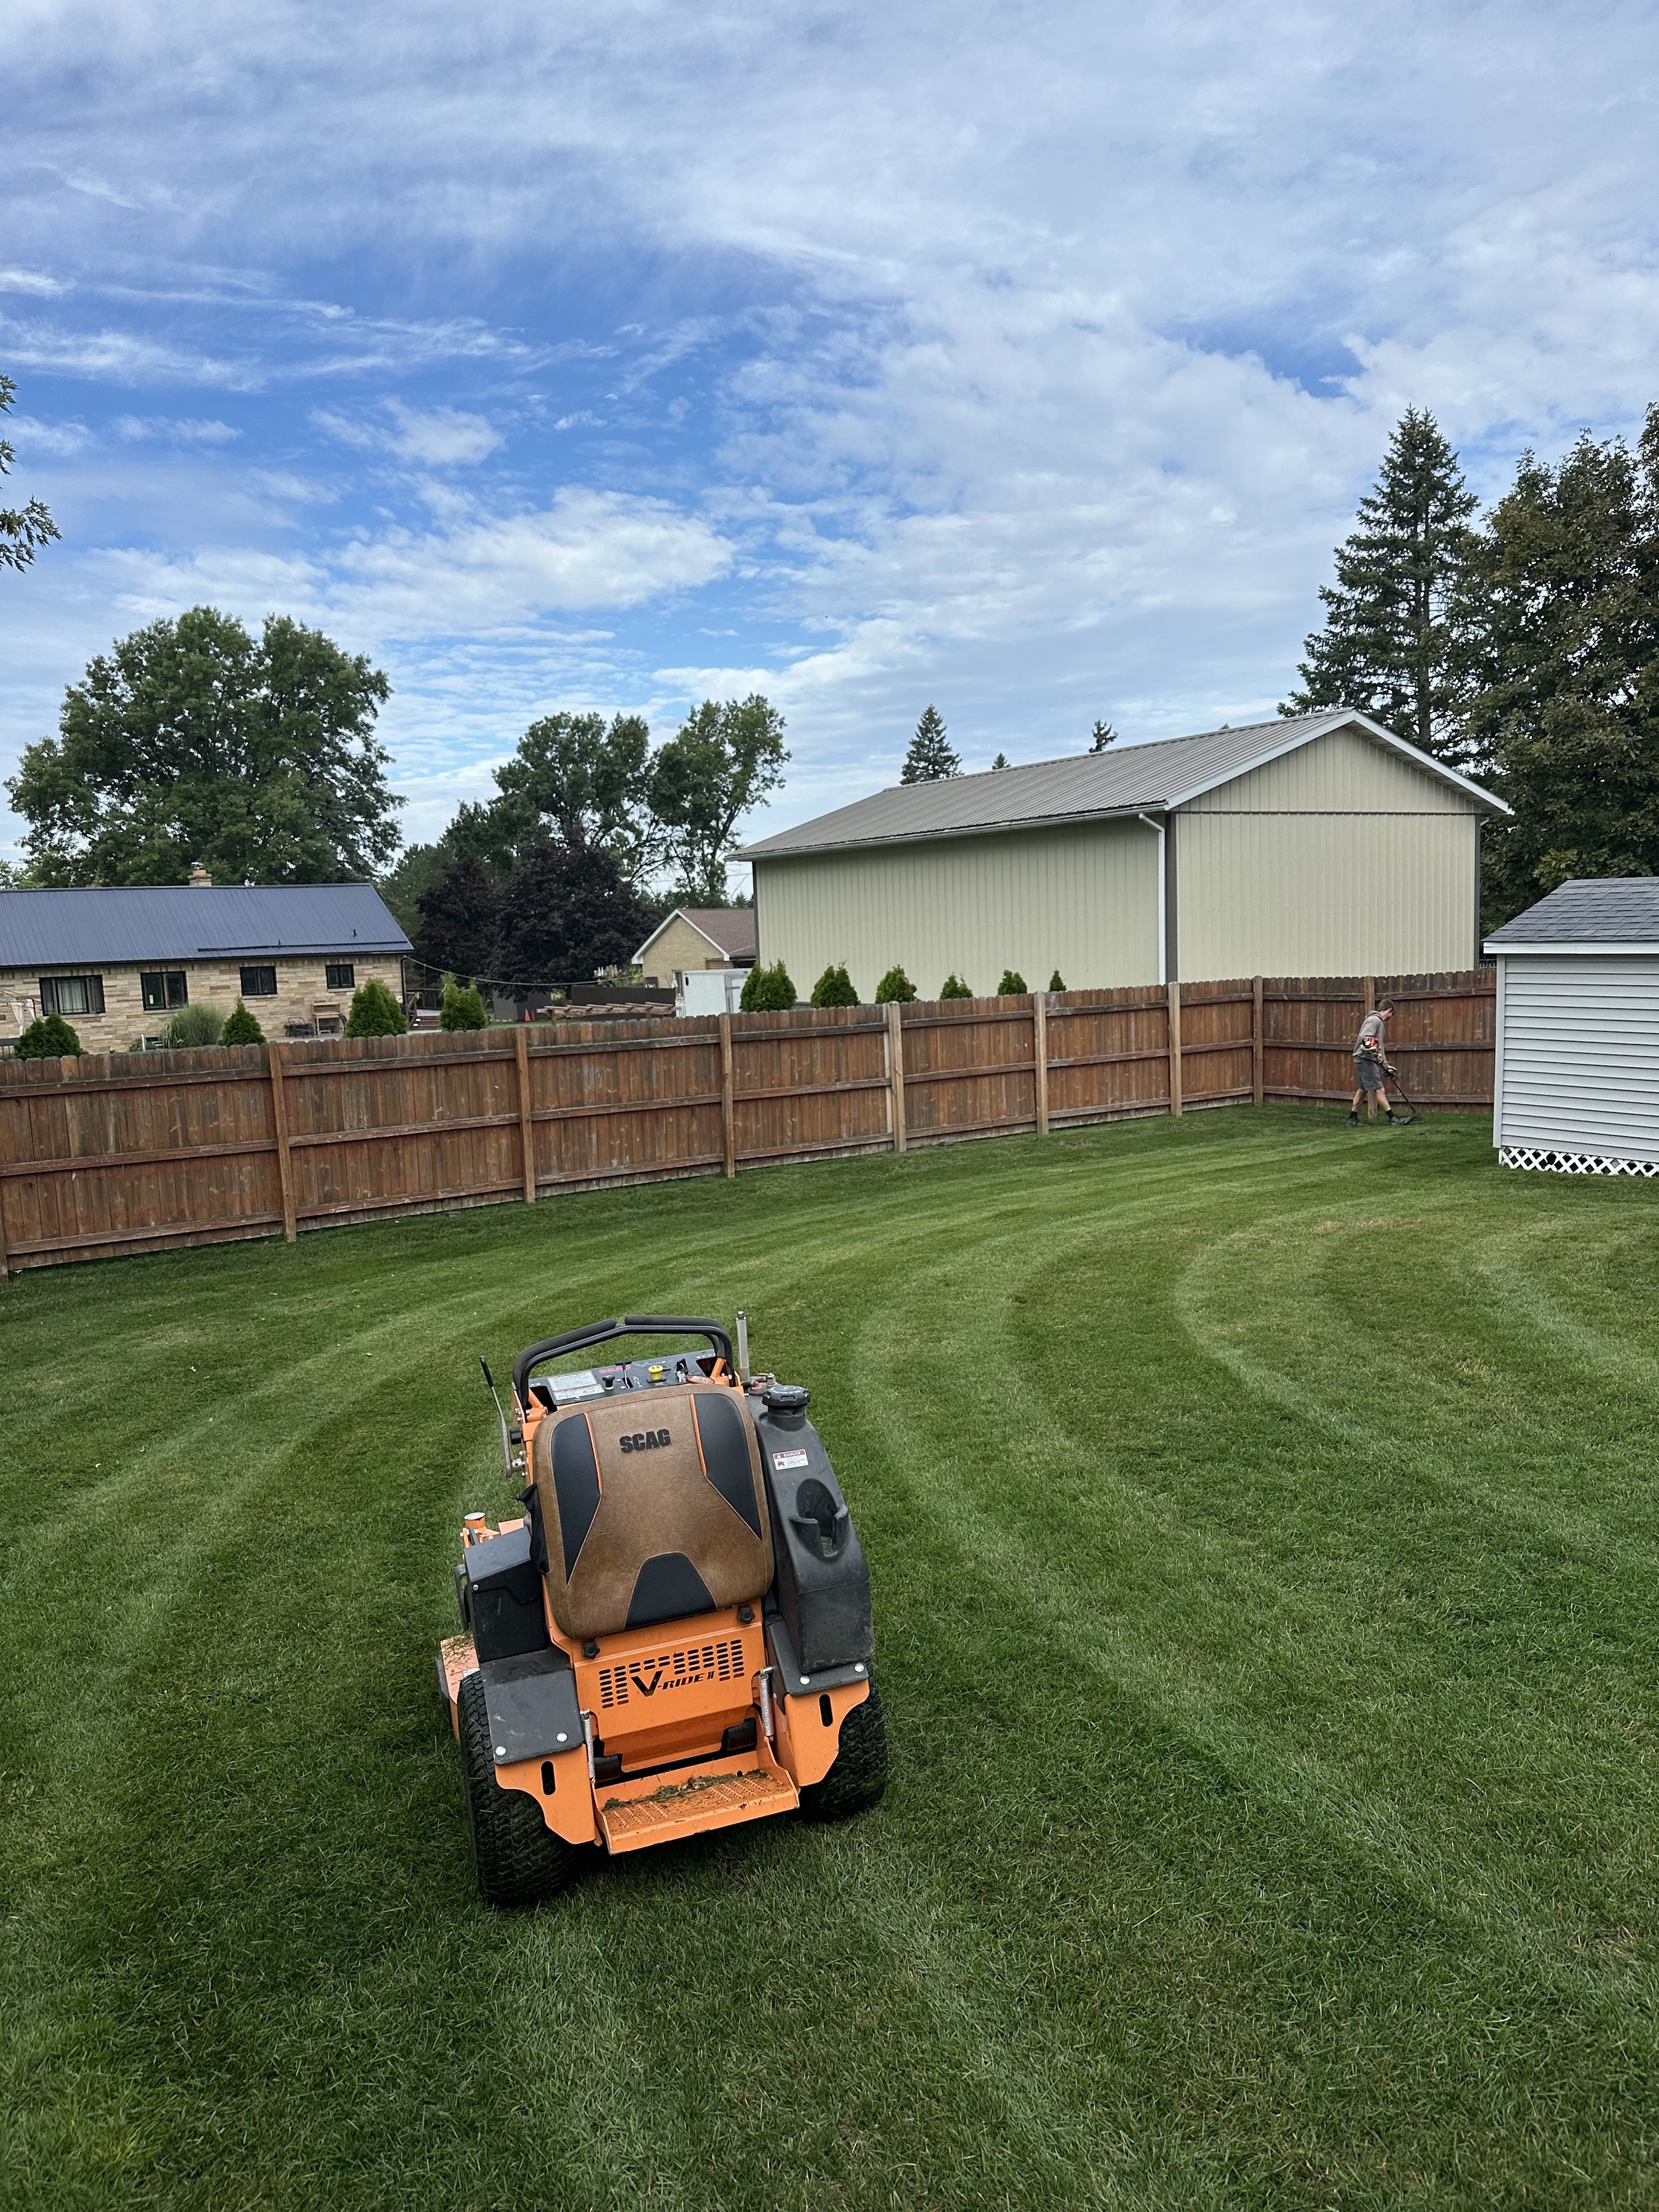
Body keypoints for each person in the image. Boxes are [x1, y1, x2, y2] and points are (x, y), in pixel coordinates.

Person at [1348, 998, 1397, 1124]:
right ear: (1390, 1010)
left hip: (1364, 1059)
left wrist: (1386, 1066)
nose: (1390, 1018)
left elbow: (1378, 1047)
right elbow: (1366, 1041)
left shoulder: (1376, 1021)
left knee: (1362, 1089)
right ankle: (1393, 1119)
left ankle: (1352, 1118)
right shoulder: (1374, 1020)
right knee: (1379, 1089)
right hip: (1366, 1060)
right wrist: (1376, 1055)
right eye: (1392, 1014)